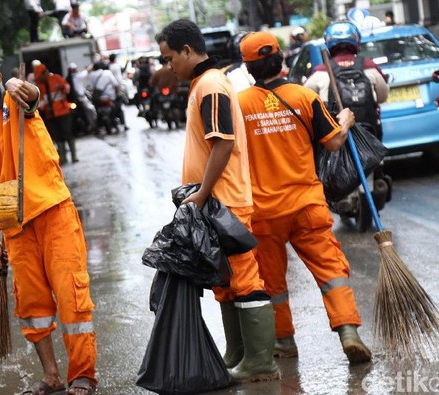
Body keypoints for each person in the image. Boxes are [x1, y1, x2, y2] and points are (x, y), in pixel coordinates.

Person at [0, 53, 97, 395]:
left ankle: (83, 375)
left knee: (71, 297)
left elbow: (31, 95)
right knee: (33, 306)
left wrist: (17, 85)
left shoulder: (15, 104)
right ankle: (51, 375)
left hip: (53, 212)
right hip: (16, 228)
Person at [236, 31, 372, 365]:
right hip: (307, 205)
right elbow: (334, 142)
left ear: (248, 68)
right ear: (280, 59)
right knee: (330, 269)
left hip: (264, 211)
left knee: (273, 282)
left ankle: (284, 341)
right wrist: (345, 121)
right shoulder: (303, 96)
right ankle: (348, 332)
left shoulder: (238, 105)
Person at [156, 19, 280, 382]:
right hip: (214, 203)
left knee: (244, 278)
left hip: (225, 203)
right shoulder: (203, 84)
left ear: (188, 51)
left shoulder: (210, 85)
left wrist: (202, 193)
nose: (168, 67)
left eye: (169, 59)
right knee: (225, 282)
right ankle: (237, 353)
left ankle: (261, 362)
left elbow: (222, 142)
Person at [304, 20, 391, 214]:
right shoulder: (369, 66)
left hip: (336, 133)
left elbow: (305, 99)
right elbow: (383, 96)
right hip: (370, 131)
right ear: (355, 41)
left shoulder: (320, 72)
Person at [34, 63, 78, 163]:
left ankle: (74, 156)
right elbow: (39, 101)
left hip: (63, 112)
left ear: (45, 72)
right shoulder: (39, 85)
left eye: (40, 76)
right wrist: (45, 108)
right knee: (57, 136)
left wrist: (62, 87)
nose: (39, 78)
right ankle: (63, 158)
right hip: (50, 115)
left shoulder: (57, 78)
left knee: (67, 133)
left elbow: (67, 88)